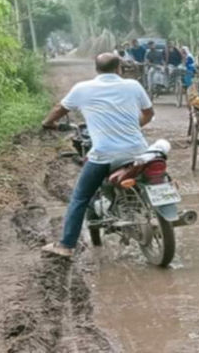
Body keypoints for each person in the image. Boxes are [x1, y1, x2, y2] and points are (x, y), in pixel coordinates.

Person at [40, 53, 154, 258]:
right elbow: (149, 113)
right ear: (119, 68)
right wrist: (133, 127)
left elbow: (59, 109)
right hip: (138, 151)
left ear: (96, 69)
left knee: (80, 197)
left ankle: (66, 245)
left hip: (104, 155)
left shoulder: (82, 88)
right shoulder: (133, 86)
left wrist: (48, 123)